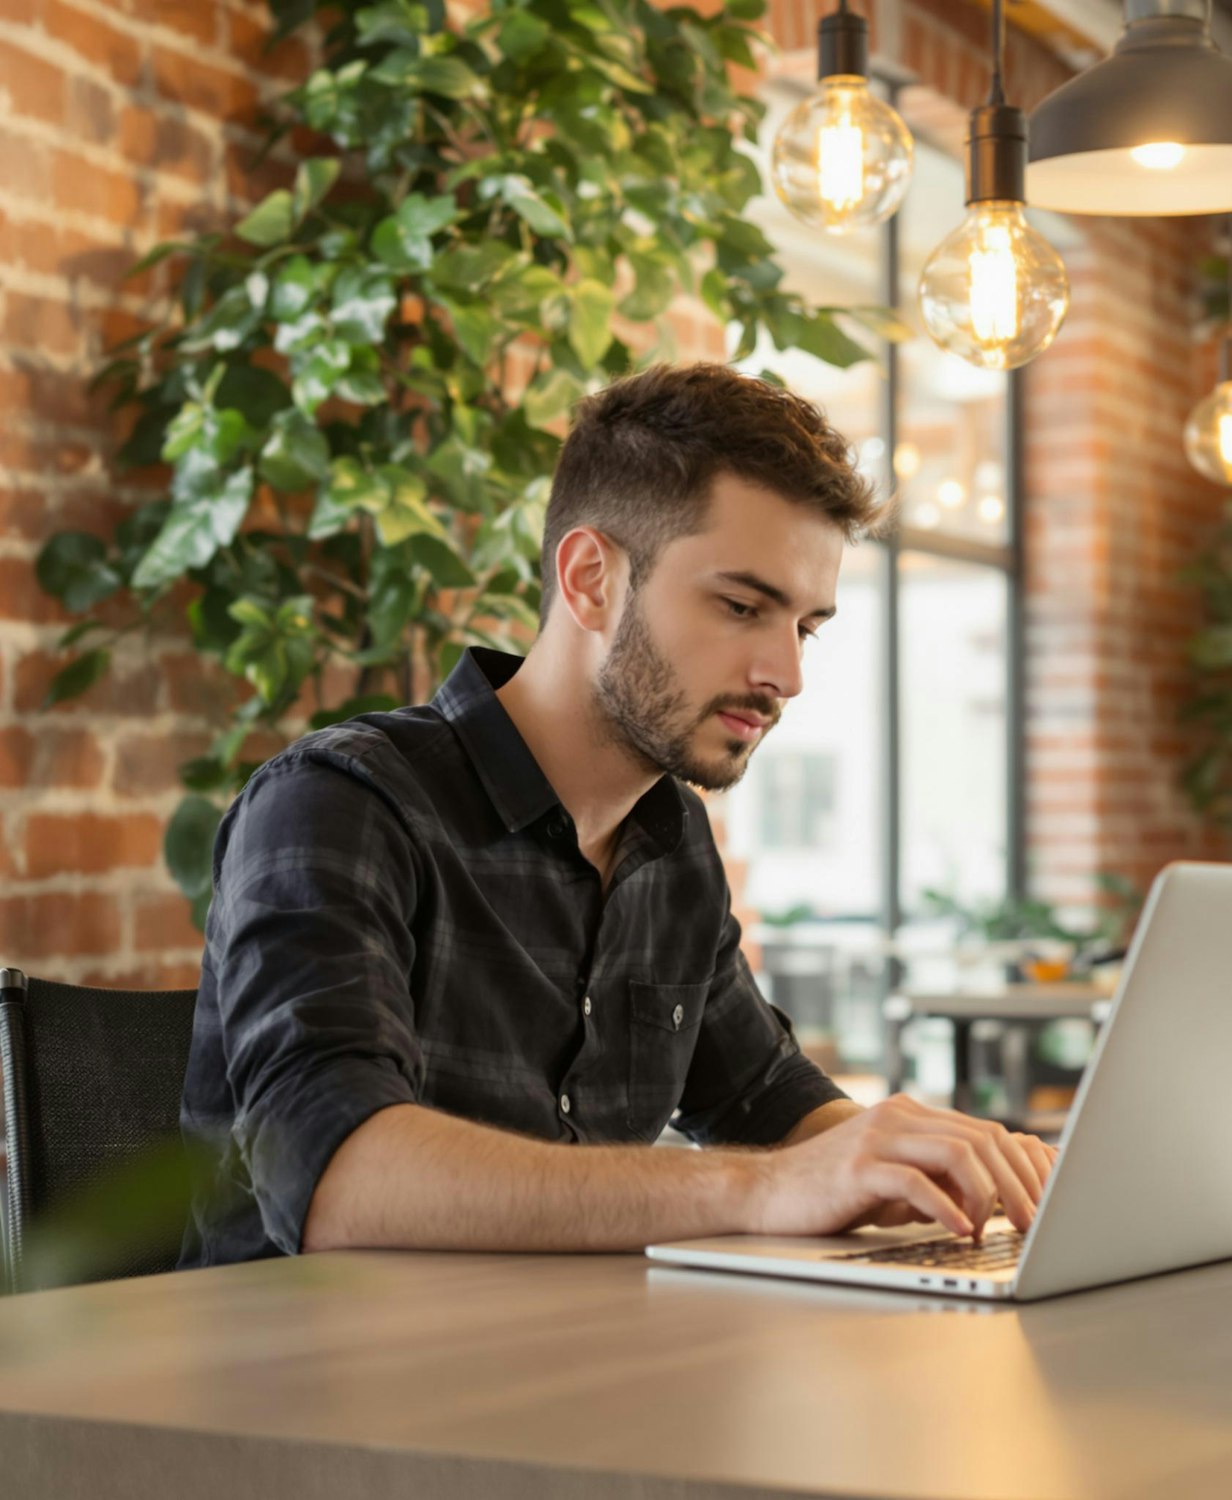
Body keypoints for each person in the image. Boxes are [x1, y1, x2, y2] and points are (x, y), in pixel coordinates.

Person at [178, 362, 1056, 1269]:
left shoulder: (668, 841)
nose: (785, 675)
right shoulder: (340, 804)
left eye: (805, 626)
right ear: (591, 577)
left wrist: (956, 1165)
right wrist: (767, 1191)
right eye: (742, 606)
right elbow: (332, 1178)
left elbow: (767, 1100)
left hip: (561, 1370)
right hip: (301, 1386)